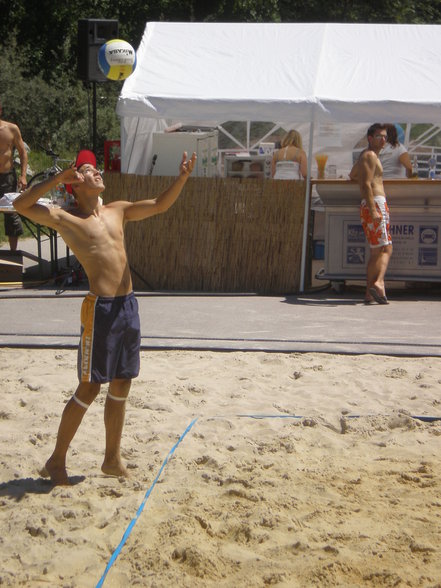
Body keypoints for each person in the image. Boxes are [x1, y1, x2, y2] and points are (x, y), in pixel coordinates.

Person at [14, 148, 197, 485]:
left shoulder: (117, 210)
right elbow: (20, 206)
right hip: (100, 310)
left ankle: (111, 459)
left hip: (128, 306)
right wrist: (57, 178)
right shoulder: (67, 218)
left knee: (123, 381)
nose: (96, 172)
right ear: (75, 183)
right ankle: (56, 460)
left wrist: (182, 178)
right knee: (89, 387)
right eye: (87, 169)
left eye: (96, 168)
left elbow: (159, 205)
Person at [349, 123, 392, 305]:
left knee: (377, 250)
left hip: (372, 203)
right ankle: (379, 283)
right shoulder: (370, 155)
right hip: (375, 203)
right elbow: (365, 183)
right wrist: (374, 210)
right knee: (385, 248)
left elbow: (353, 175)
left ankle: (369, 292)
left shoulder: (366, 156)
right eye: (379, 136)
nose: (383, 140)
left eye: (385, 137)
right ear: (370, 138)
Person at [0, 99, 27, 250]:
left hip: (7, 177)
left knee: (11, 215)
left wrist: (23, 176)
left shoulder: (11, 129)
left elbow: (23, 153)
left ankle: (12, 254)